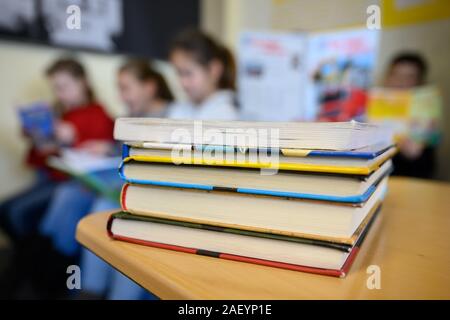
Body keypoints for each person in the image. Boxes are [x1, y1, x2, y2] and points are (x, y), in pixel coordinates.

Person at [81, 30, 240, 300]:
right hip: (162, 192)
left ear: (214, 70)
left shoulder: (227, 116)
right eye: (178, 74)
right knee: (104, 207)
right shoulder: (182, 109)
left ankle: (102, 291)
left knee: (127, 230)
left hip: (188, 206)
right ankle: (91, 290)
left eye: (188, 73)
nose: (182, 82)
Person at [0, 57, 115, 298]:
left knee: (18, 215)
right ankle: (25, 274)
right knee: (8, 211)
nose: (59, 94)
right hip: (48, 178)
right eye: (55, 88)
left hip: (69, 184)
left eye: (63, 87)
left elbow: (99, 158)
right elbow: (41, 159)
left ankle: (27, 277)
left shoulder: (99, 115)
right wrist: (39, 138)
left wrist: (72, 139)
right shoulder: (57, 114)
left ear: (82, 83)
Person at [384, 52, 439, 178]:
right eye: (396, 75)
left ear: (420, 82)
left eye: (410, 77)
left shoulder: (426, 117)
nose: (401, 82)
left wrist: (414, 154)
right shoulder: (372, 110)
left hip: (409, 181)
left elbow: (427, 170)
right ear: (387, 78)